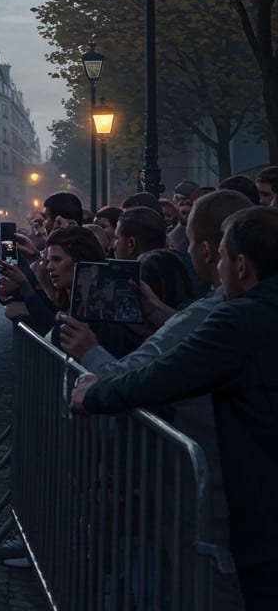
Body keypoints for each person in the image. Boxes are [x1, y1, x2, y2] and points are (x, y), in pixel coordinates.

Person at [71, 206, 278, 609]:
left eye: (220, 257)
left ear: (240, 265)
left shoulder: (240, 317)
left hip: (248, 494)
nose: (215, 268)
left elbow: (164, 375)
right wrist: (163, 316)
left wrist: (93, 394)